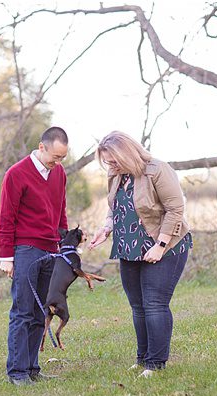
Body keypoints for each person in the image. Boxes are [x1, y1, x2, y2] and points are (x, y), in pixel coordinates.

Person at [87, 131, 192, 378]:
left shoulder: (157, 169)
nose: (110, 166)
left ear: (127, 153)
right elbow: (114, 207)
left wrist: (161, 245)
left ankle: (156, 364)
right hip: (129, 247)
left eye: (113, 161)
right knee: (138, 306)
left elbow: (175, 209)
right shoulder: (115, 175)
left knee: (154, 304)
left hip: (164, 245)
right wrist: (106, 228)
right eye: (107, 163)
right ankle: (142, 358)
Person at [0, 127, 70, 386]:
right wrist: (6, 256)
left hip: (52, 249)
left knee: (42, 311)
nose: (58, 163)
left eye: (63, 158)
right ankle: (17, 372)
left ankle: (32, 369)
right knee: (23, 310)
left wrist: (64, 243)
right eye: (55, 157)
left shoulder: (59, 173)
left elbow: (60, 210)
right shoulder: (16, 174)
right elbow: (7, 218)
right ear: (42, 147)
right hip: (26, 249)